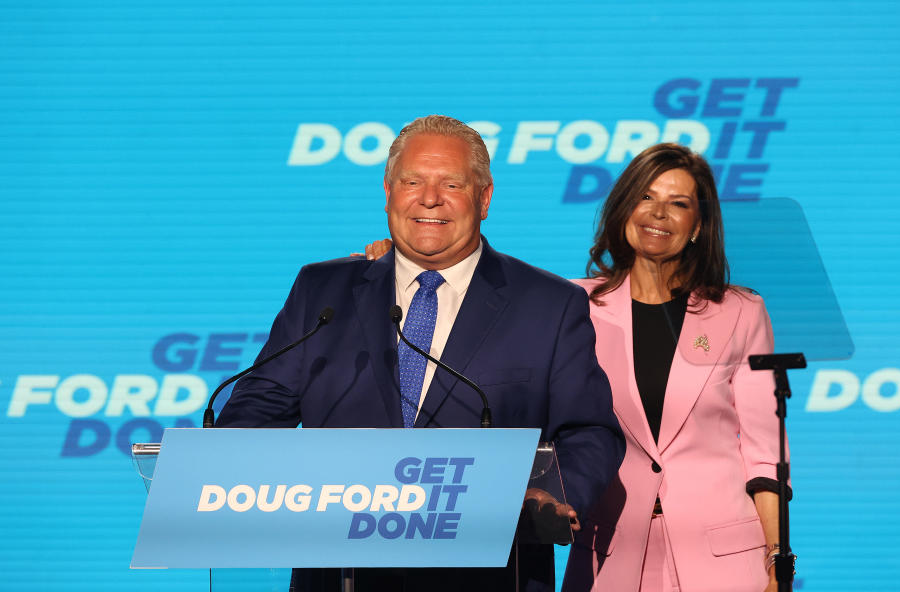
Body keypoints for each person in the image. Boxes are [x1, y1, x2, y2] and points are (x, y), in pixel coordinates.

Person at [216, 114, 625, 592]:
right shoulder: (323, 292)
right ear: (389, 191)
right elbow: (257, 411)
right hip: (342, 574)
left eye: (450, 183)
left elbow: (590, 430)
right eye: (412, 181)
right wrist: (228, 466)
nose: (429, 198)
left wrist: (550, 498)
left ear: (484, 198)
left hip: (492, 573)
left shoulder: (548, 304)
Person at [561, 143, 787, 592]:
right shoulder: (574, 306)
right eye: (646, 197)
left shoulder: (742, 311)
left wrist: (778, 560)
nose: (658, 213)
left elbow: (766, 452)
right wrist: (396, 267)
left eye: (678, 203)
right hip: (608, 557)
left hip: (725, 563)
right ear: (624, 208)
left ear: (698, 225)